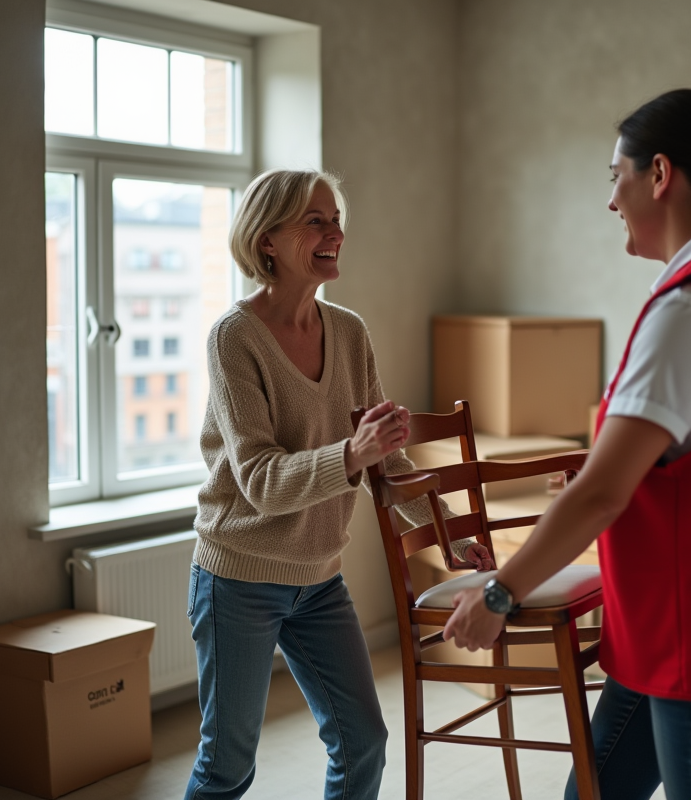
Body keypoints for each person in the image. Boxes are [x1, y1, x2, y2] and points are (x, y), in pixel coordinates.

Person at [442, 89, 691, 800]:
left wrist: (501, 592)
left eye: (614, 175)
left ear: (660, 175)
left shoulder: (690, 307)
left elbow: (603, 490)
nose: (610, 198)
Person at [185, 169, 493, 800]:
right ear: (267, 239)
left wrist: (448, 541)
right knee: (226, 767)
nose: (335, 233)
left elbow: (385, 465)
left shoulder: (349, 332)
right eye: (315, 221)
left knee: (363, 745)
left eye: (336, 220)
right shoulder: (233, 338)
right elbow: (263, 482)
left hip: (318, 579)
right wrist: (353, 452)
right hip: (238, 578)